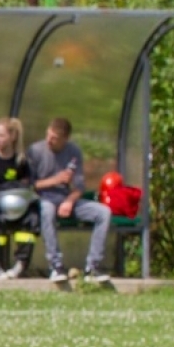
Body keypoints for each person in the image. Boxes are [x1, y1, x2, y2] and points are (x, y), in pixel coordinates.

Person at [28, 116, 112, 282]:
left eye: (54, 138)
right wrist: (56, 180)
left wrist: (69, 201)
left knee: (103, 212)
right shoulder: (35, 151)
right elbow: (31, 185)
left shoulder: (74, 152)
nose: (49, 140)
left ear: (65, 139)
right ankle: (55, 265)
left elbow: (80, 187)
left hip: (66, 200)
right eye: (48, 135)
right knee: (47, 210)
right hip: (44, 198)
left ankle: (92, 267)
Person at [0, 117, 39, 279]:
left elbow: (26, 184)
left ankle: (21, 263)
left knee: (30, 219)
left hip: (16, 203)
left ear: (12, 137)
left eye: (1, 136)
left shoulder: (21, 159)